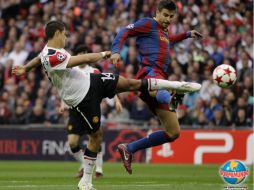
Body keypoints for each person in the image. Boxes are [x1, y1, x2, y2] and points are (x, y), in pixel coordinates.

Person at [12, 20, 200, 190]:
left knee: (130, 84)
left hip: (92, 80)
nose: (66, 37)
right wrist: (103, 54)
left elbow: (38, 59)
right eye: (65, 34)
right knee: (96, 136)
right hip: (81, 98)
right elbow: (82, 59)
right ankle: (85, 181)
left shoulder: (46, 52)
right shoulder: (53, 56)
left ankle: (175, 86)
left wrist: (25, 68)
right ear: (58, 33)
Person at [110, 0, 203, 175]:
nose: (168, 19)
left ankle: (129, 148)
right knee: (160, 93)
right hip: (149, 73)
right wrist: (115, 50)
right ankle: (173, 95)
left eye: (171, 16)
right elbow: (124, 31)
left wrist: (187, 34)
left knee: (174, 132)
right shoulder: (147, 23)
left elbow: (169, 40)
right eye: (165, 15)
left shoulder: (164, 31)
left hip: (161, 78)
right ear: (157, 12)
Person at [61, 45, 123, 179]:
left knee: (94, 136)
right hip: (74, 110)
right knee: (72, 143)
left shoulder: (94, 71)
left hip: (90, 107)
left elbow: (108, 84)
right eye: (80, 53)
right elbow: (64, 87)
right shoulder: (71, 69)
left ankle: (99, 169)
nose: (83, 56)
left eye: (85, 53)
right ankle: (85, 165)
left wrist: (117, 100)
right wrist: (62, 103)